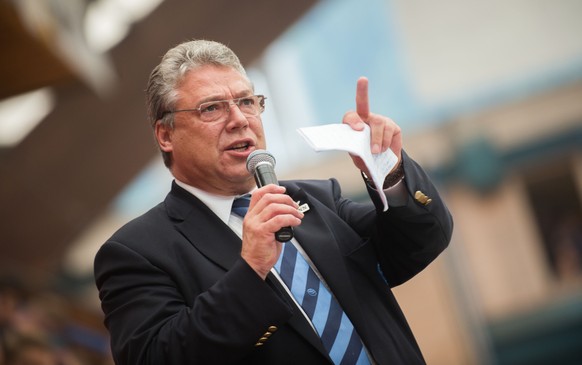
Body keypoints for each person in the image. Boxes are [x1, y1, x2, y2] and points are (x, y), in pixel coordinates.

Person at [94, 39, 453, 365]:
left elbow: (418, 245)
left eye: (247, 101)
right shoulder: (135, 253)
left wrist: (386, 170)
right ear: (166, 134)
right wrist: (250, 271)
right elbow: (159, 357)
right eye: (211, 108)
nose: (239, 119)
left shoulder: (317, 198)